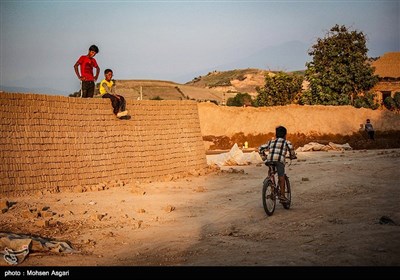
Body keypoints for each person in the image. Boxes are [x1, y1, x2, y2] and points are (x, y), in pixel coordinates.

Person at [259, 126, 297, 202]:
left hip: (269, 160)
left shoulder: (271, 142)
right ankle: (282, 196)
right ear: (285, 135)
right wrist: (292, 156)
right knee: (281, 177)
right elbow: (291, 151)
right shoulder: (286, 142)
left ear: (276, 135)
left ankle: (270, 182)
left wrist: (264, 157)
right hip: (279, 161)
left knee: (271, 171)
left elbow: (260, 148)